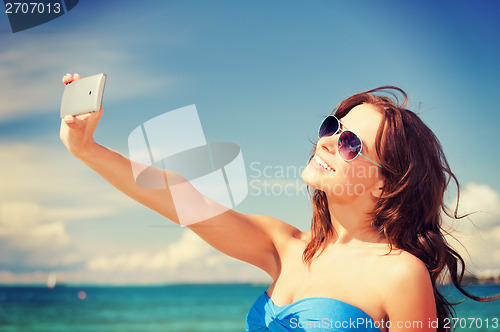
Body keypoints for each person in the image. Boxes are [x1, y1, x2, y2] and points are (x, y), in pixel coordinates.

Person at [60, 74, 498, 332]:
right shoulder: (285, 246)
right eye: (332, 127)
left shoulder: (401, 274)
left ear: (386, 185)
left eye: (350, 144)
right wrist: (87, 149)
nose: (326, 141)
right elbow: (182, 200)